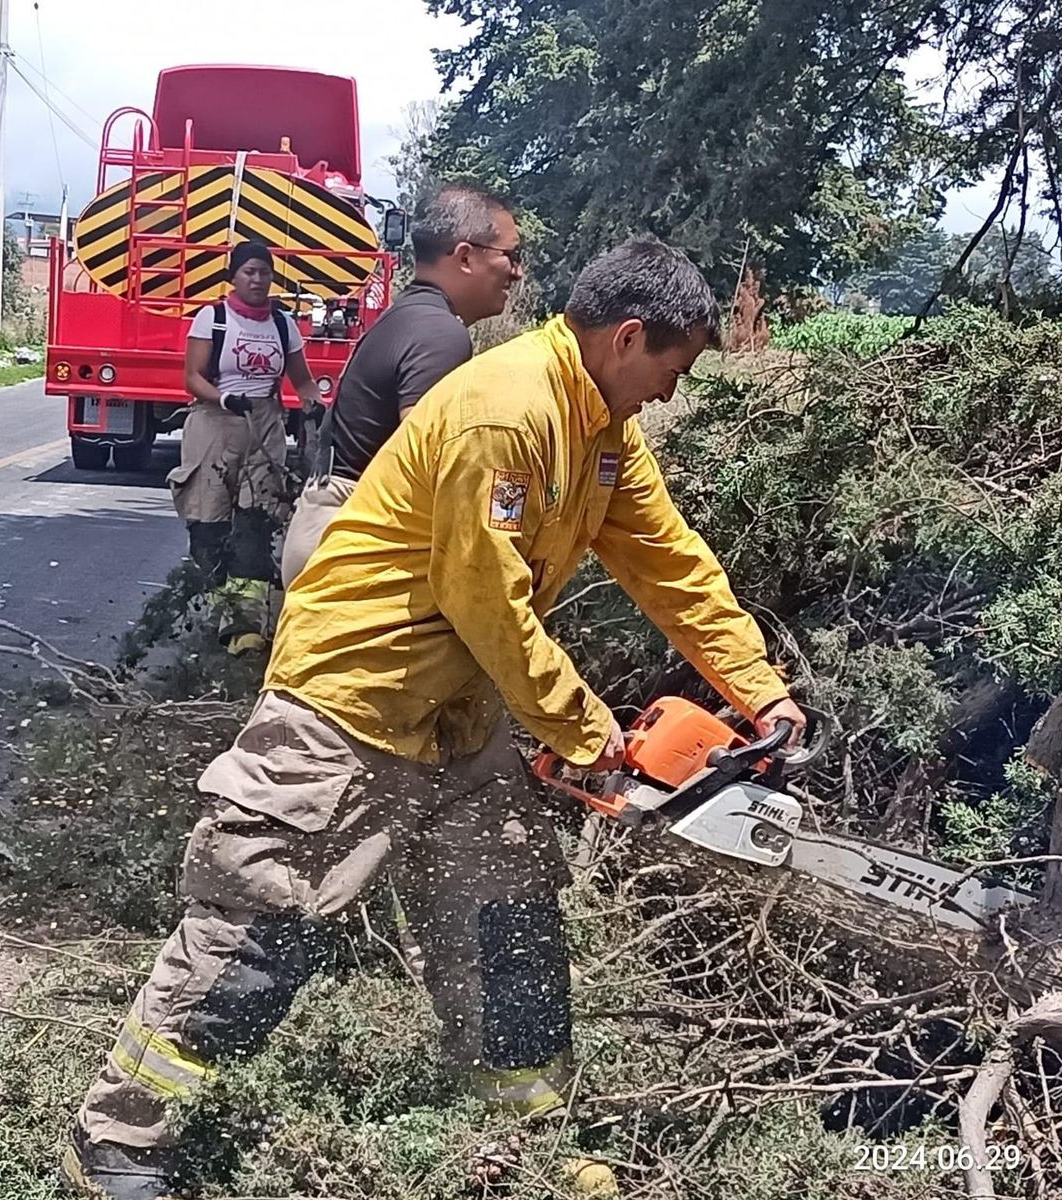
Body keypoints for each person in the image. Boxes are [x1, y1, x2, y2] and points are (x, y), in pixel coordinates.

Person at [63, 237, 808, 1197]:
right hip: (354, 697)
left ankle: (526, 1130)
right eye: (675, 366)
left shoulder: (601, 431)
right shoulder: (504, 413)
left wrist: (762, 693)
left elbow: (671, 561)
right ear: (629, 338)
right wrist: (591, 738)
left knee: (505, 919)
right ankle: (121, 1138)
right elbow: (486, 596)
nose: (671, 391)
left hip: (461, 709)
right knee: (265, 919)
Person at [280, 183, 522, 586]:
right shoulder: (439, 333)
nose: (517, 271)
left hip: (334, 532)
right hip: (357, 548)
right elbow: (427, 464)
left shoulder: (410, 316)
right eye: (511, 256)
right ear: (465, 257)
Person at [169, 241, 322, 655]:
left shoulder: (283, 324)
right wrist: (223, 398)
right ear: (234, 276)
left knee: (258, 519)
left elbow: (302, 380)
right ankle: (224, 604)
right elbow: (192, 378)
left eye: (265, 272)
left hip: (264, 425)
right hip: (215, 423)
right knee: (208, 524)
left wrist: (317, 405)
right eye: (249, 272)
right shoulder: (213, 319)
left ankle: (245, 628)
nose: (258, 279)